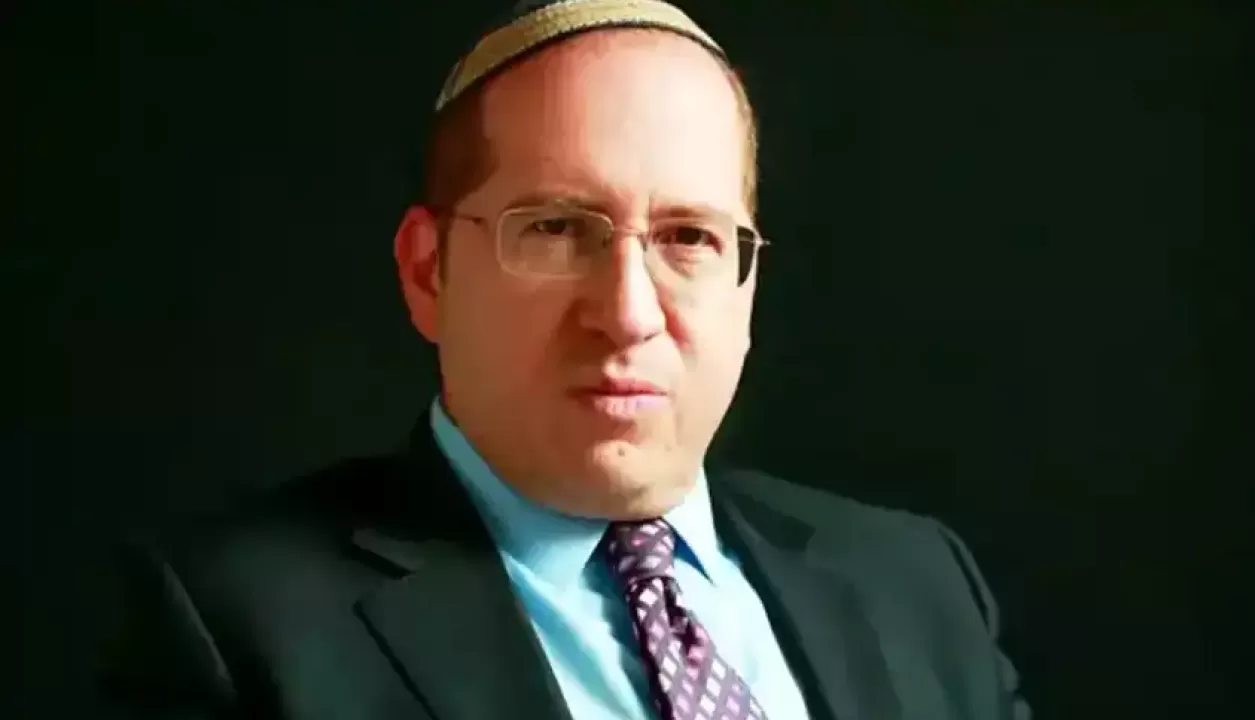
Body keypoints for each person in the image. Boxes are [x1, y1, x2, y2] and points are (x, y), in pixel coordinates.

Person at [97, 1, 1031, 718]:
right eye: (554, 229)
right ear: (428, 273)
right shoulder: (233, 628)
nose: (628, 314)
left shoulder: (919, 585)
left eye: (689, 238)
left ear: (747, 283)